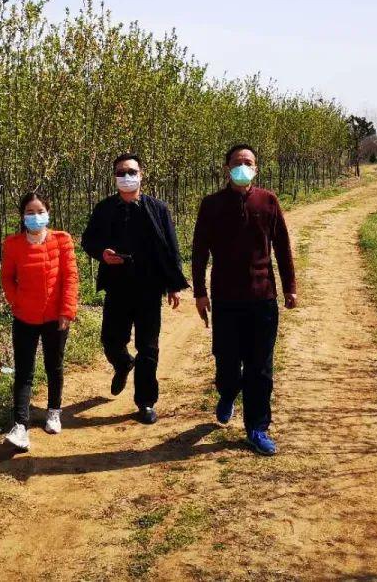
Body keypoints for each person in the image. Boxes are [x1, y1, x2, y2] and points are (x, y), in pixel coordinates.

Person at [191, 143, 297, 455]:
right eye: (237, 162)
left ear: (256, 168)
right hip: (225, 297)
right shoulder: (212, 205)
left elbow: (282, 246)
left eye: (248, 162)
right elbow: (199, 251)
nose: (242, 167)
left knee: (260, 366)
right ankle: (227, 392)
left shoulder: (268, 201)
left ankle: (257, 427)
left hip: (262, 296)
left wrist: (290, 286)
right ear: (226, 168)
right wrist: (199, 292)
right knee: (226, 359)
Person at [81, 153, 188, 424]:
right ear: (115, 177)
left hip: (149, 287)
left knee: (148, 347)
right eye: (121, 172)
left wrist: (174, 284)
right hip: (117, 286)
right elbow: (88, 240)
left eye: (131, 171)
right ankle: (122, 363)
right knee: (111, 340)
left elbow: (171, 248)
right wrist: (101, 254)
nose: (126, 176)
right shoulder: (104, 208)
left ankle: (146, 402)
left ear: (141, 174)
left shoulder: (158, 209)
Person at [0, 191, 79, 452]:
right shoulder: (12, 244)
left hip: (55, 318)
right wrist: (16, 302)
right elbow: (7, 279)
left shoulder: (62, 240)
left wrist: (67, 311)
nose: (36, 217)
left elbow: (70, 278)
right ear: (22, 217)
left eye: (40, 211)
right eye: (30, 213)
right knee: (24, 372)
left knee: (53, 366)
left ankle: (53, 412)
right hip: (25, 317)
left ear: (48, 212)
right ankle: (20, 425)